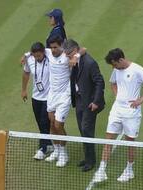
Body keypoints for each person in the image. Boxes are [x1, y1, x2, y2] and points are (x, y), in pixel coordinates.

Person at [93, 48, 143, 183]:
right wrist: (118, 96)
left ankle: (129, 170)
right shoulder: (116, 70)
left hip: (131, 113)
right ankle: (101, 170)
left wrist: (141, 100)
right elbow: (112, 83)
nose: (114, 67)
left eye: (115, 64)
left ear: (121, 60)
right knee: (108, 139)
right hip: (117, 110)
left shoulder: (137, 70)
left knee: (130, 141)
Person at [63, 39, 105, 172]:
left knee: (87, 130)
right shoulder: (76, 60)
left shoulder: (90, 63)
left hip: (89, 102)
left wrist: (96, 102)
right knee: (82, 130)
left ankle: (91, 161)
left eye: (69, 54)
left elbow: (100, 82)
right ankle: (87, 157)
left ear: (75, 51)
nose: (67, 57)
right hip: (79, 100)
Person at [43, 35, 73, 167]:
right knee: (51, 124)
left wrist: (76, 57)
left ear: (61, 46)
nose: (53, 50)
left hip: (64, 96)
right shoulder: (48, 52)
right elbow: (34, 51)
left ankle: (64, 154)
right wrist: (25, 56)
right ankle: (57, 150)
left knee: (58, 125)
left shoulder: (67, 56)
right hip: (52, 95)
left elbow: (83, 49)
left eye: (55, 47)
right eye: (51, 47)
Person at [21, 42, 52, 160]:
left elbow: (53, 49)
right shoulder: (30, 59)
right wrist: (23, 90)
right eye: (35, 56)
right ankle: (48, 143)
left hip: (48, 97)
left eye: (39, 56)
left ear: (43, 52)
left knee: (44, 122)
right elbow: (26, 73)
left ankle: (43, 148)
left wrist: (26, 53)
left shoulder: (49, 55)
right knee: (40, 122)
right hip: (36, 97)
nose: (37, 58)